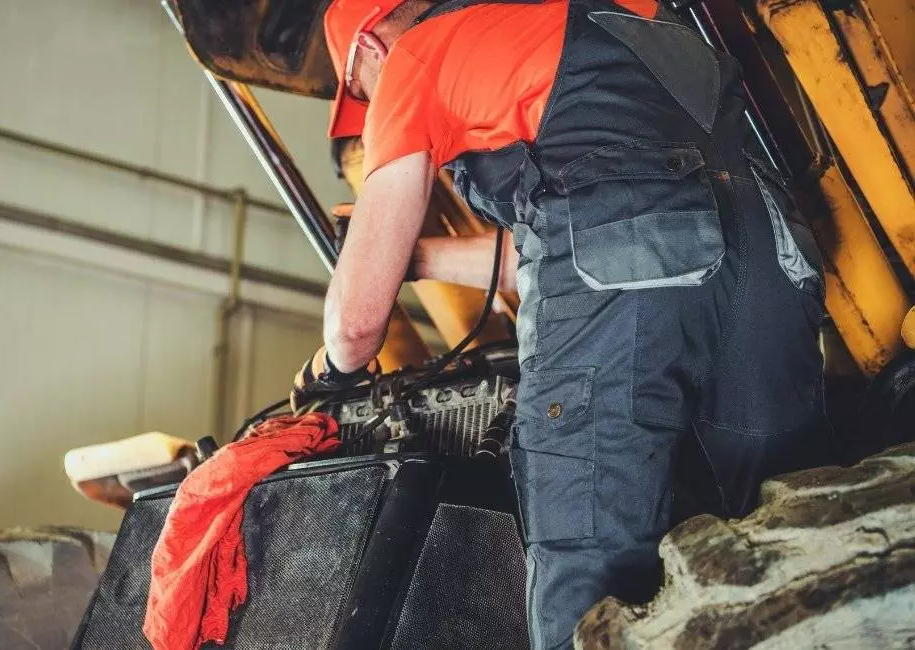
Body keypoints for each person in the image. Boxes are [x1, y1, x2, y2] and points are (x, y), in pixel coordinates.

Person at [291, 0, 831, 645]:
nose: (370, 104)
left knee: (591, 563)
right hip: (775, 262)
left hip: (628, 282)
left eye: (359, 92)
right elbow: (599, 225)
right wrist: (421, 258)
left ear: (371, 49)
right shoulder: (627, 21)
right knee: (785, 539)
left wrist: (329, 374)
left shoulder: (414, 55)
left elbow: (356, 324)